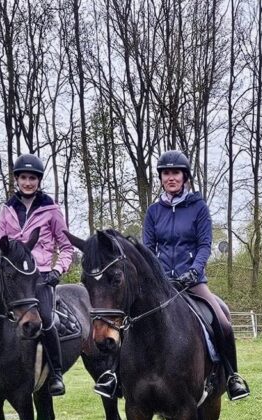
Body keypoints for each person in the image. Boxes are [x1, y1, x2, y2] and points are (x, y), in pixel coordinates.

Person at [92, 150, 250, 401]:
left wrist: (193, 272)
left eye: (176, 173)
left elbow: (204, 245)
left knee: (221, 319)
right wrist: (158, 277)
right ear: (161, 178)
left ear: (185, 176)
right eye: (166, 173)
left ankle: (232, 377)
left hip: (193, 282)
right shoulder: (154, 211)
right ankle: (113, 375)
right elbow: (148, 249)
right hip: (160, 284)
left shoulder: (198, 208)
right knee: (127, 318)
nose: (171, 177)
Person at [0, 153, 73, 396]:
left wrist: (57, 270)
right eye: (23, 178)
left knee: (47, 319)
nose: (28, 182)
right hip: (11, 277)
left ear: (38, 180)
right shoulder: (7, 209)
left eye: (32, 178)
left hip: (39, 275)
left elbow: (66, 247)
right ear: (17, 180)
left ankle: (56, 374)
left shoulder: (51, 210)